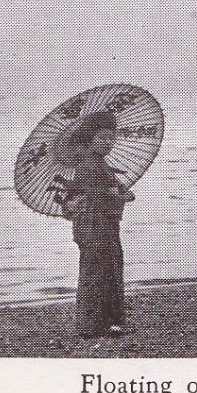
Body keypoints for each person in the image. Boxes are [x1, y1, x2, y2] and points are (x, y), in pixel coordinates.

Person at [59, 111, 134, 338]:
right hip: (93, 224)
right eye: (102, 138)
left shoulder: (99, 163)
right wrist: (119, 195)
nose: (108, 143)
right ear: (89, 139)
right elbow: (96, 194)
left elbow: (111, 189)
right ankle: (92, 325)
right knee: (96, 270)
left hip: (103, 223)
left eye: (111, 138)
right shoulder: (87, 165)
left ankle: (106, 322)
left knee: (108, 268)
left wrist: (121, 191)